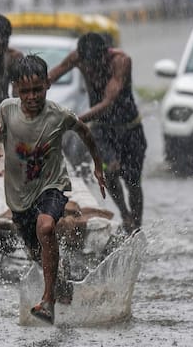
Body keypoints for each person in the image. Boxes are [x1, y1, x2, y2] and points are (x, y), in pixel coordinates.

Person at [0, 55, 106, 325]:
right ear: (15, 88)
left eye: (37, 89)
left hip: (53, 186)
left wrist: (98, 166)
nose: (31, 97)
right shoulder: (7, 110)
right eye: (25, 91)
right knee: (37, 253)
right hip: (19, 196)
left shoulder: (58, 115)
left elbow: (85, 132)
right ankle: (61, 286)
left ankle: (48, 300)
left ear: (48, 84)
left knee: (47, 227)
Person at [48, 32, 147, 234]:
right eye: (87, 66)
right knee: (109, 171)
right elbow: (55, 73)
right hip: (102, 130)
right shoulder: (79, 57)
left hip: (130, 129)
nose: (91, 70)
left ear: (104, 55)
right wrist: (32, 88)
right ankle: (125, 215)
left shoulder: (120, 62)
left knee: (133, 182)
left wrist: (74, 121)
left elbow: (107, 103)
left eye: (94, 64)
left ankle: (136, 226)